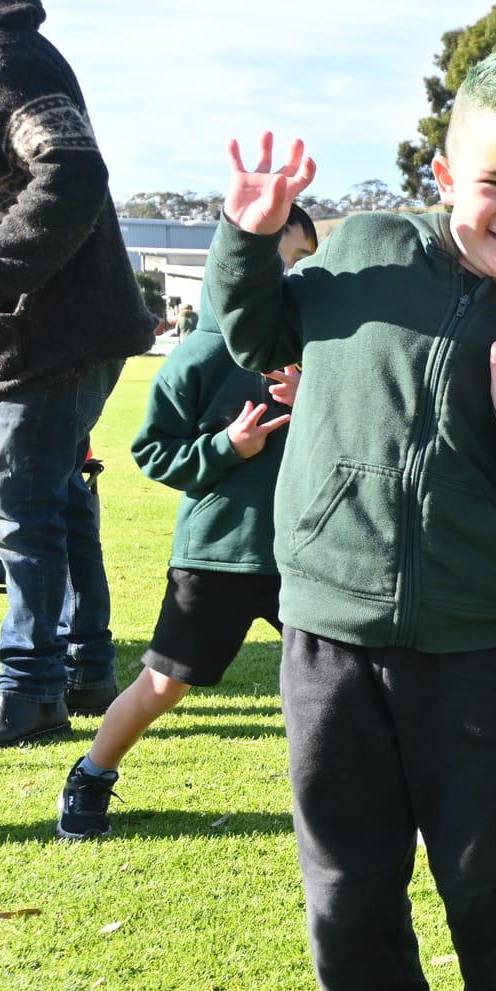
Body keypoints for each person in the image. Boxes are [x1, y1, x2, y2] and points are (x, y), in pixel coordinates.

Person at [203, 37, 496, 991]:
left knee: (490, 869)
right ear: (443, 172)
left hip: (475, 643)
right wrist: (247, 237)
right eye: (495, 181)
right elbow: (259, 334)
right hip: (328, 632)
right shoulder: (366, 248)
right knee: (350, 870)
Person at [53, 206, 316, 839]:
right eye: (279, 259)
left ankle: (391, 803)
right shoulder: (199, 355)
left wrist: (314, 400)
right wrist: (228, 446)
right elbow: (153, 451)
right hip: (217, 557)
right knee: (164, 683)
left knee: (341, 688)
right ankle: (91, 773)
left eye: (305, 263)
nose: (290, 276)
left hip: (310, 557)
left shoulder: (321, 353)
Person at [0, 0, 155, 751]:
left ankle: (29, 692)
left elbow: (73, 170)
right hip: (59, 330)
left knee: (20, 505)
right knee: (58, 501)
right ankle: (82, 670)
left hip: (56, 333)